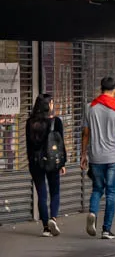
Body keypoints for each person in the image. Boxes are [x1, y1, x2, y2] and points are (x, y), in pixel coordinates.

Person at [81, 76, 115, 241]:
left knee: (97, 189)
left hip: (95, 157)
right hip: (112, 158)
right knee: (111, 193)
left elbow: (86, 133)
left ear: (101, 89)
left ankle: (93, 212)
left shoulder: (90, 107)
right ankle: (106, 230)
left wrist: (83, 154)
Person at [27, 93, 66, 237]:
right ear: (48, 105)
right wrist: (62, 163)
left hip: (36, 163)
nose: (53, 105)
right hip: (52, 162)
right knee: (55, 191)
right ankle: (53, 219)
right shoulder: (56, 122)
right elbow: (60, 145)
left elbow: (28, 146)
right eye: (52, 103)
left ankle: (45, 228)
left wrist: (31, 162)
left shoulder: (29, 122)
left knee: (42, 195)